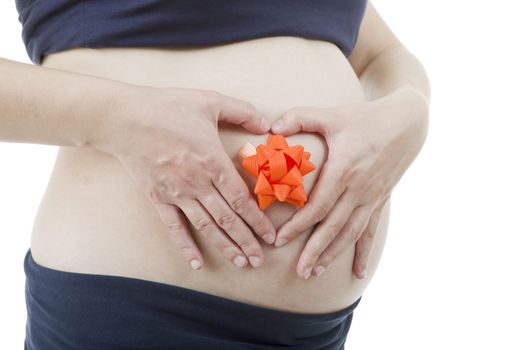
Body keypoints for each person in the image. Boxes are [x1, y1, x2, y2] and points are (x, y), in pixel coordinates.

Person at [1, 1, 430, 349]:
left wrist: (409, 111)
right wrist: (116, 117)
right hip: (136, 308)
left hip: (317, 330)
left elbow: (380, 55)